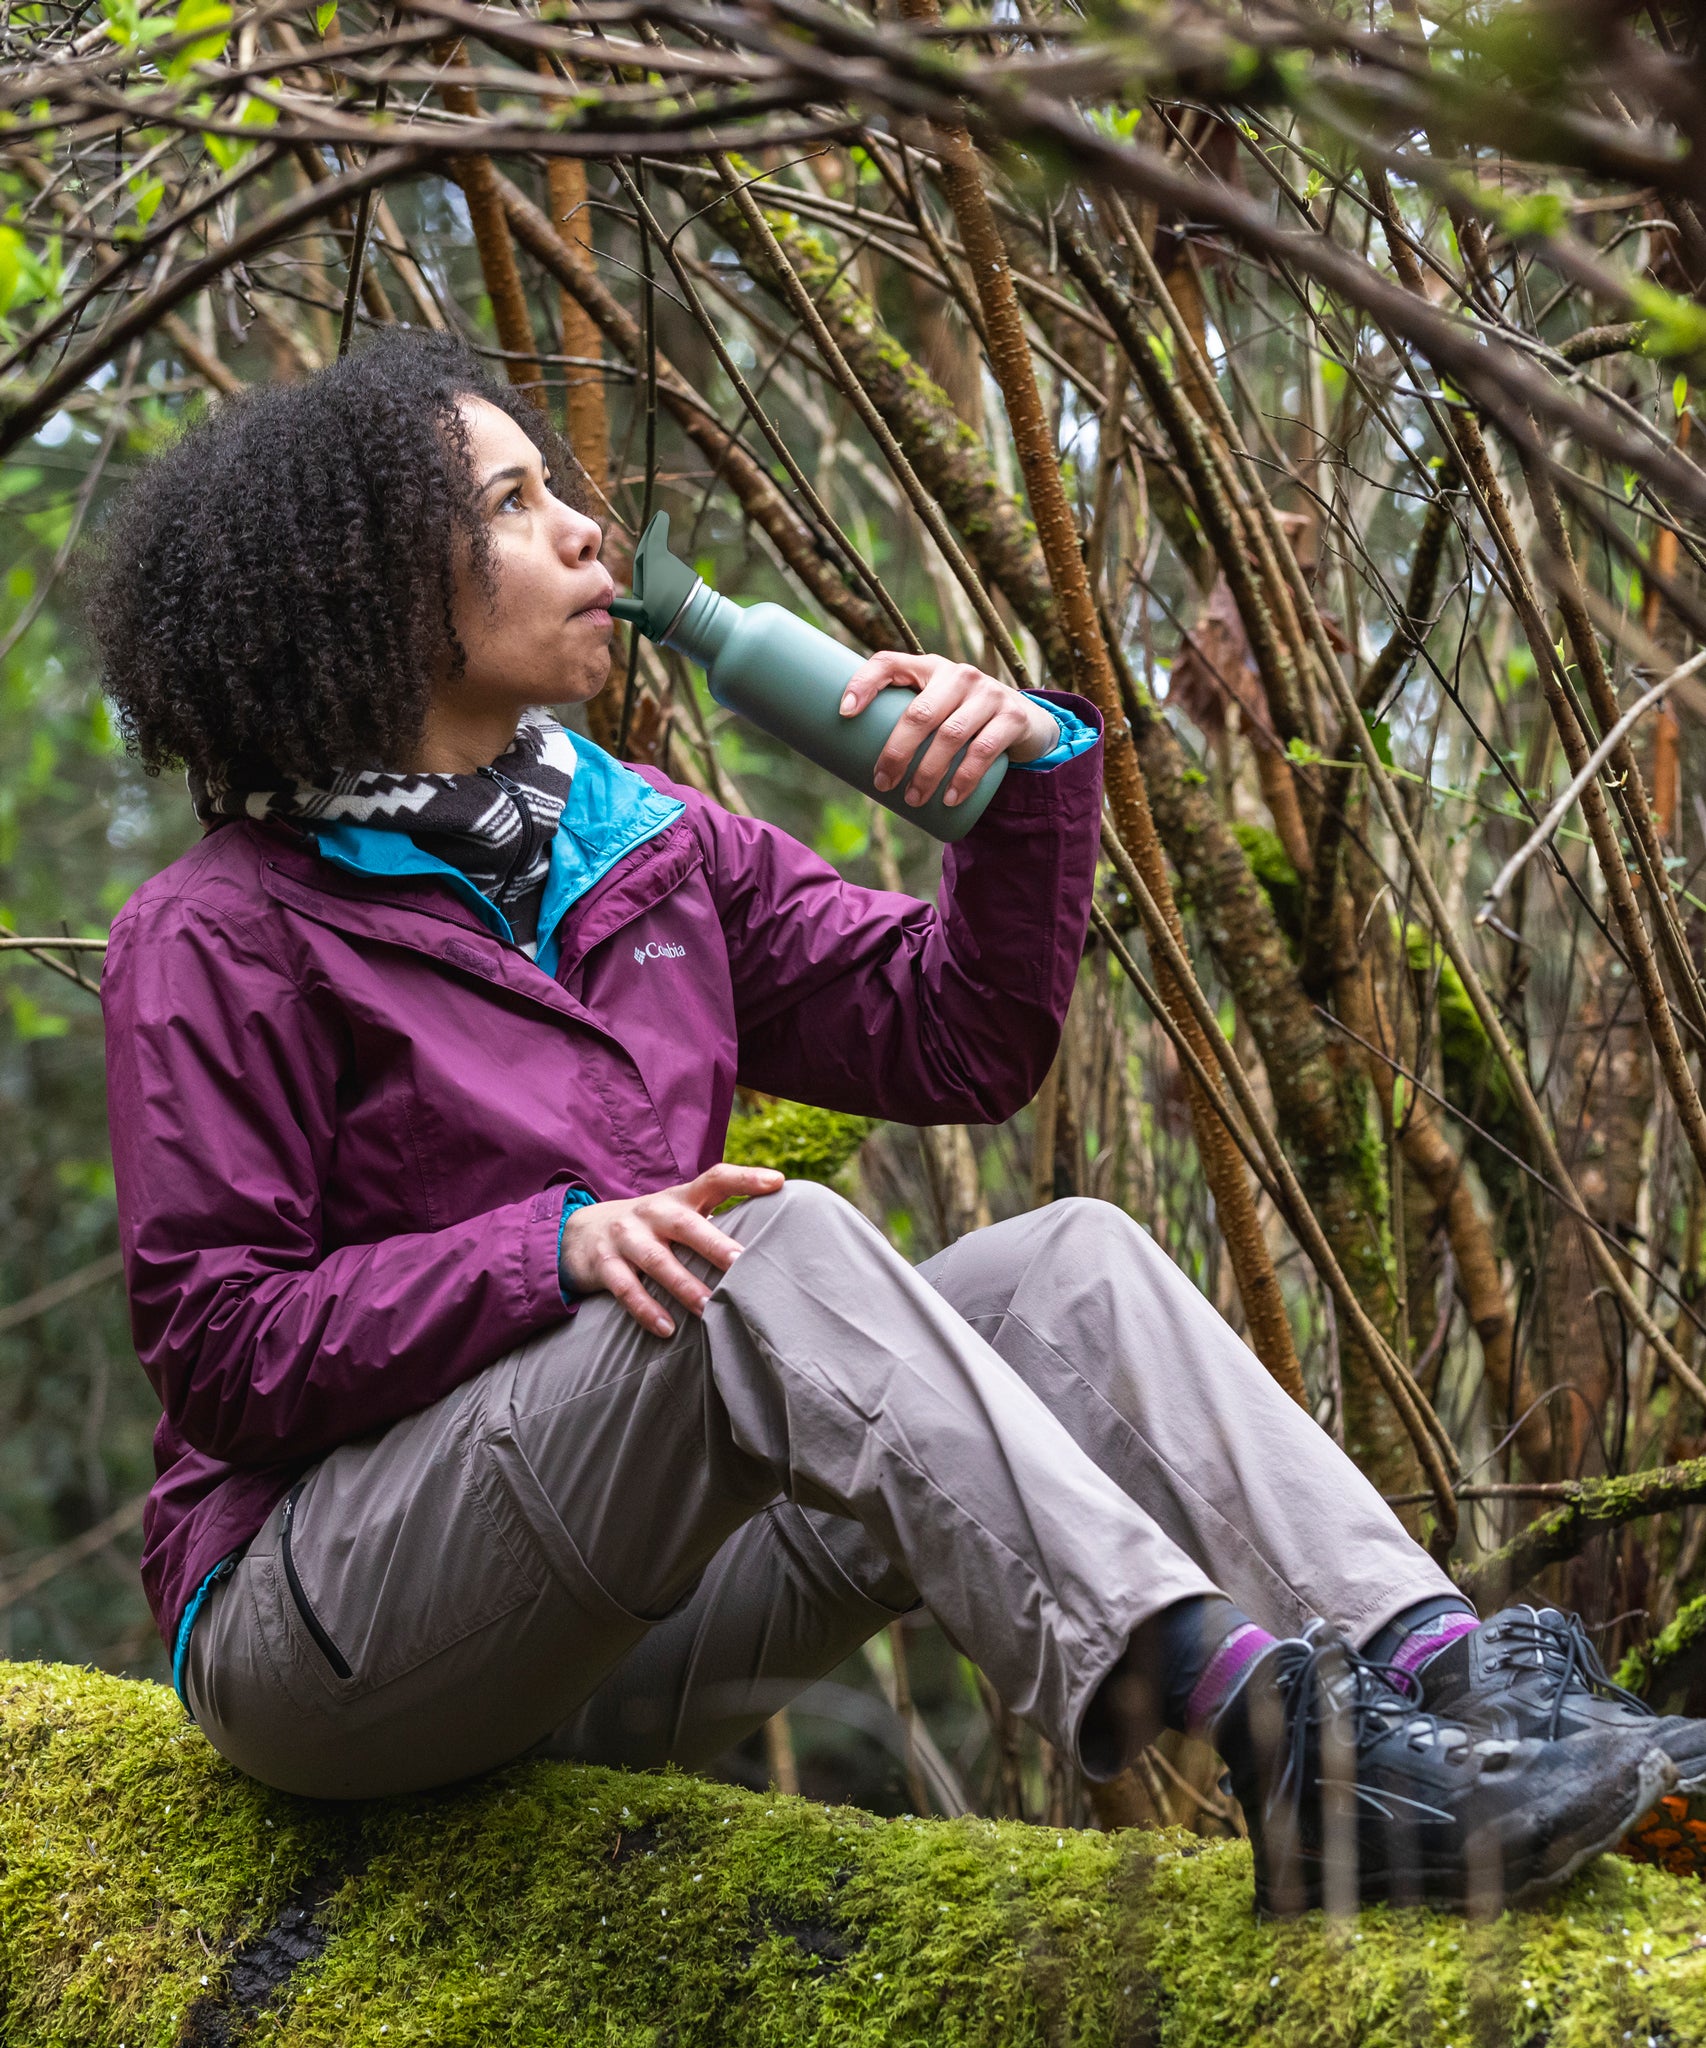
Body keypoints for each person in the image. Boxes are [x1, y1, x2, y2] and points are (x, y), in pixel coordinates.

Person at [88, 332, 1695, 1917]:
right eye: (510, 505)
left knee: (1068, 1265)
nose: (582, 528)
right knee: (755, 1253)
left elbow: (958, 1037)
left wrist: (1020, 789)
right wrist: (552, 1250)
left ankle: (1471, 1692)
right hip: (333, 1645)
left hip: (623, 1634)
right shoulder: (223, 931)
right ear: (369, 596)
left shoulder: (635, 840)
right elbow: (223, 1348)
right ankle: (1294, 1745)